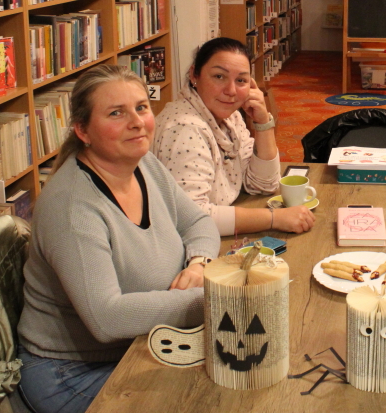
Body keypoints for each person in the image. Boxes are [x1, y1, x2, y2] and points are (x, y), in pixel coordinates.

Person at [17, 65, 220, 413]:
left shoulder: (145, 165)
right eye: (116, 113)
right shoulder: (72, 207)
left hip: (143, 343)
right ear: (83, 130)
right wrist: (211, 300)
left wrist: (199, 264)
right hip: (72, 372)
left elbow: (198, 222)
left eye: (141, 107)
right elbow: (106, 319)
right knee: (209, 397)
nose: (137, 122)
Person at [152, 37, 315, 236]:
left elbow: (263, 184)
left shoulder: (230, 116)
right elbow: (191, 218)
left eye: (241, 80)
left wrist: (263, 123)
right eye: (219, 76)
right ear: (194, 75)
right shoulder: (185, 129)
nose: (231, 91)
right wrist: (274, 218)